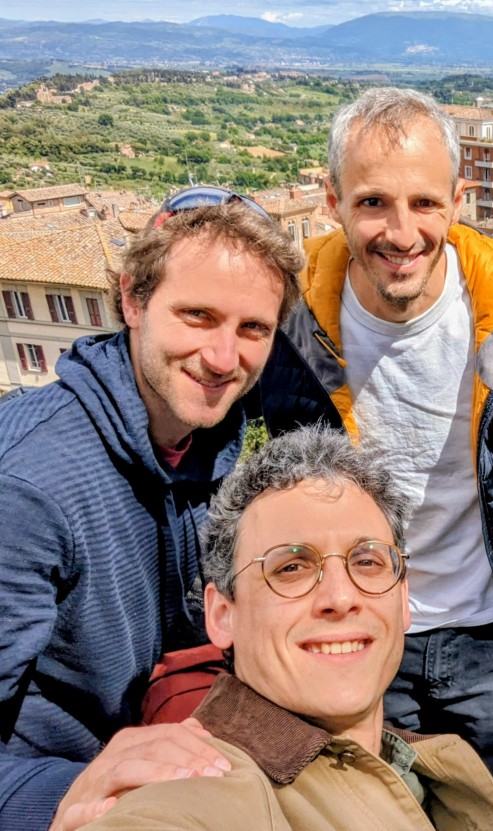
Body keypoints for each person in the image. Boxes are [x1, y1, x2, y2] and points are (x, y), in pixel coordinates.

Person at [257, 86, 493, 811]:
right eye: (372, 203)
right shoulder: (288, 315)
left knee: (488, 817)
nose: (401, 232)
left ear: (459, 199)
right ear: (331, 199)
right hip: (354, 631)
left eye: (424, 203)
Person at [0, 187, 303, 831]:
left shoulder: (209, 442)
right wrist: (77, 789)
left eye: (253, 329)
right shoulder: (27, 486)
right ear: (132, 300)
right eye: (197, 315)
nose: (225, 359)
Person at [79, 426, 493, 831]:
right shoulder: (198, 790)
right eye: (291, 567)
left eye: (367, 561)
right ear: (222, 615)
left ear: (404, 600)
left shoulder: (422, 767)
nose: (341, 597)